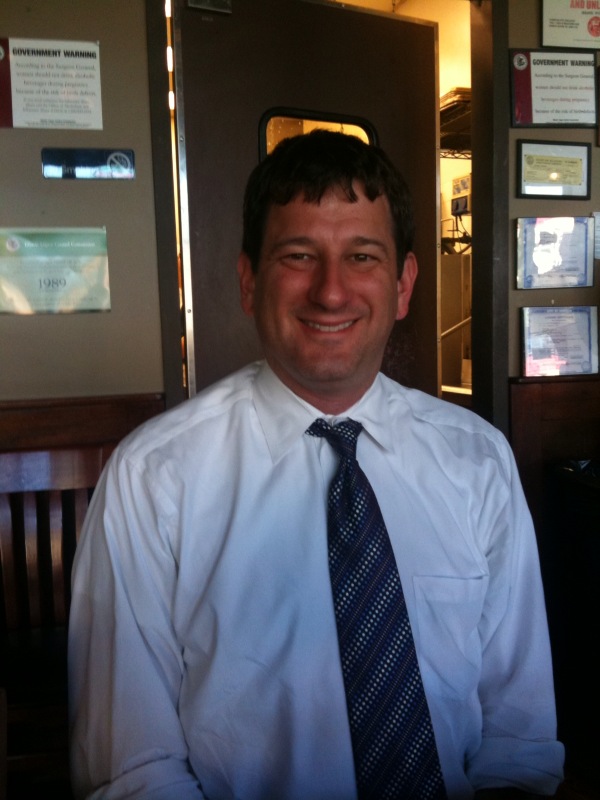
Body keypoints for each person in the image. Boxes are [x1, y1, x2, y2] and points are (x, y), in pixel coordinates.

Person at [68, 130, 564, 799]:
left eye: (362, 256)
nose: (331, 292)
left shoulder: (477, 461)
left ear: (404, 284)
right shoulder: (154, 479)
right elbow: (136, 773)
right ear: (249, 281)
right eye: (299, 256)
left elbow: (518, 737)